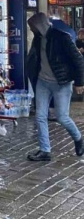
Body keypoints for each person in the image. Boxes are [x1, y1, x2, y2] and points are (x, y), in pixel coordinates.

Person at [26, 13, 84, 161]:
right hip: (42, 82)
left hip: (61, 82)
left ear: (39, 25)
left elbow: (78, 60)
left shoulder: (62, 37)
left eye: (32, 26)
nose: (31, 29)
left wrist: (79, 82)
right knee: (40, 116)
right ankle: (45, 150)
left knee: (62, 117)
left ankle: (78, 138)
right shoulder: (38, 39)